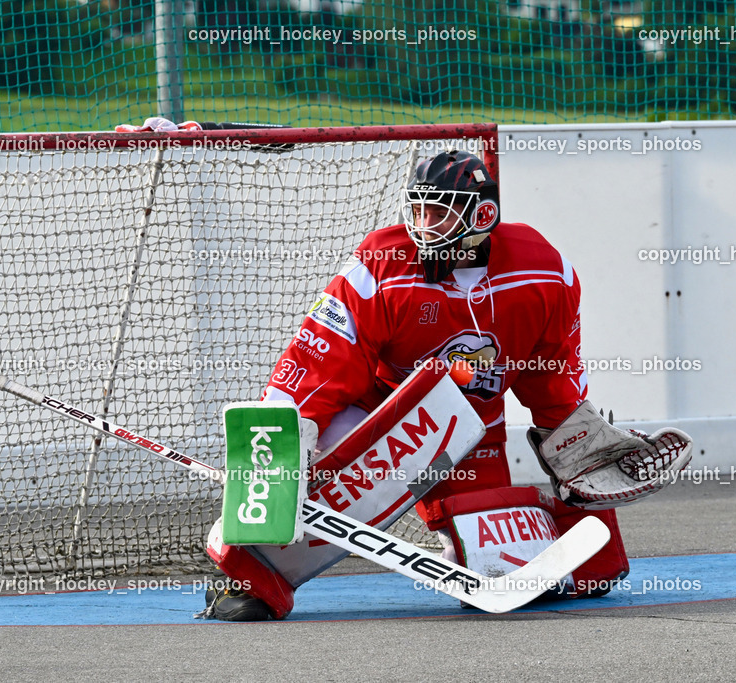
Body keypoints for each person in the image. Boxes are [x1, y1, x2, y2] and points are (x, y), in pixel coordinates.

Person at [201, 150, 690, 620]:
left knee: (502, 573)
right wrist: (285, 439)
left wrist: (574, 439)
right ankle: (245, 577)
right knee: (306, 477)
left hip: (471, 429)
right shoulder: (379, 267)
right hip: (379, 418)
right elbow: (318, 356)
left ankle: (562, 547)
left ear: (482, 217)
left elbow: (551, 369)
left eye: (436, 212)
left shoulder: (545, 272)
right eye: (416, 210)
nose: (422, 225)